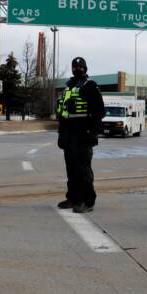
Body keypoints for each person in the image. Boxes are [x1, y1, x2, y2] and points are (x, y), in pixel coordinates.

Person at [55, 57, 104, 213]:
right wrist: (61, 134)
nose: (77, 69)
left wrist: (93, 132)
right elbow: (62, 113)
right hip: (69, 133)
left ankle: (87, 201)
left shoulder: (90, 86)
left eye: (80, 67)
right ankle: (73, 198)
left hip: (84, 133)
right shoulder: (68, 87)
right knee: (71, 168)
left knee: (83, 169)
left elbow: (99, 112)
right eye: (75, 66)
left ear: (85, 68)